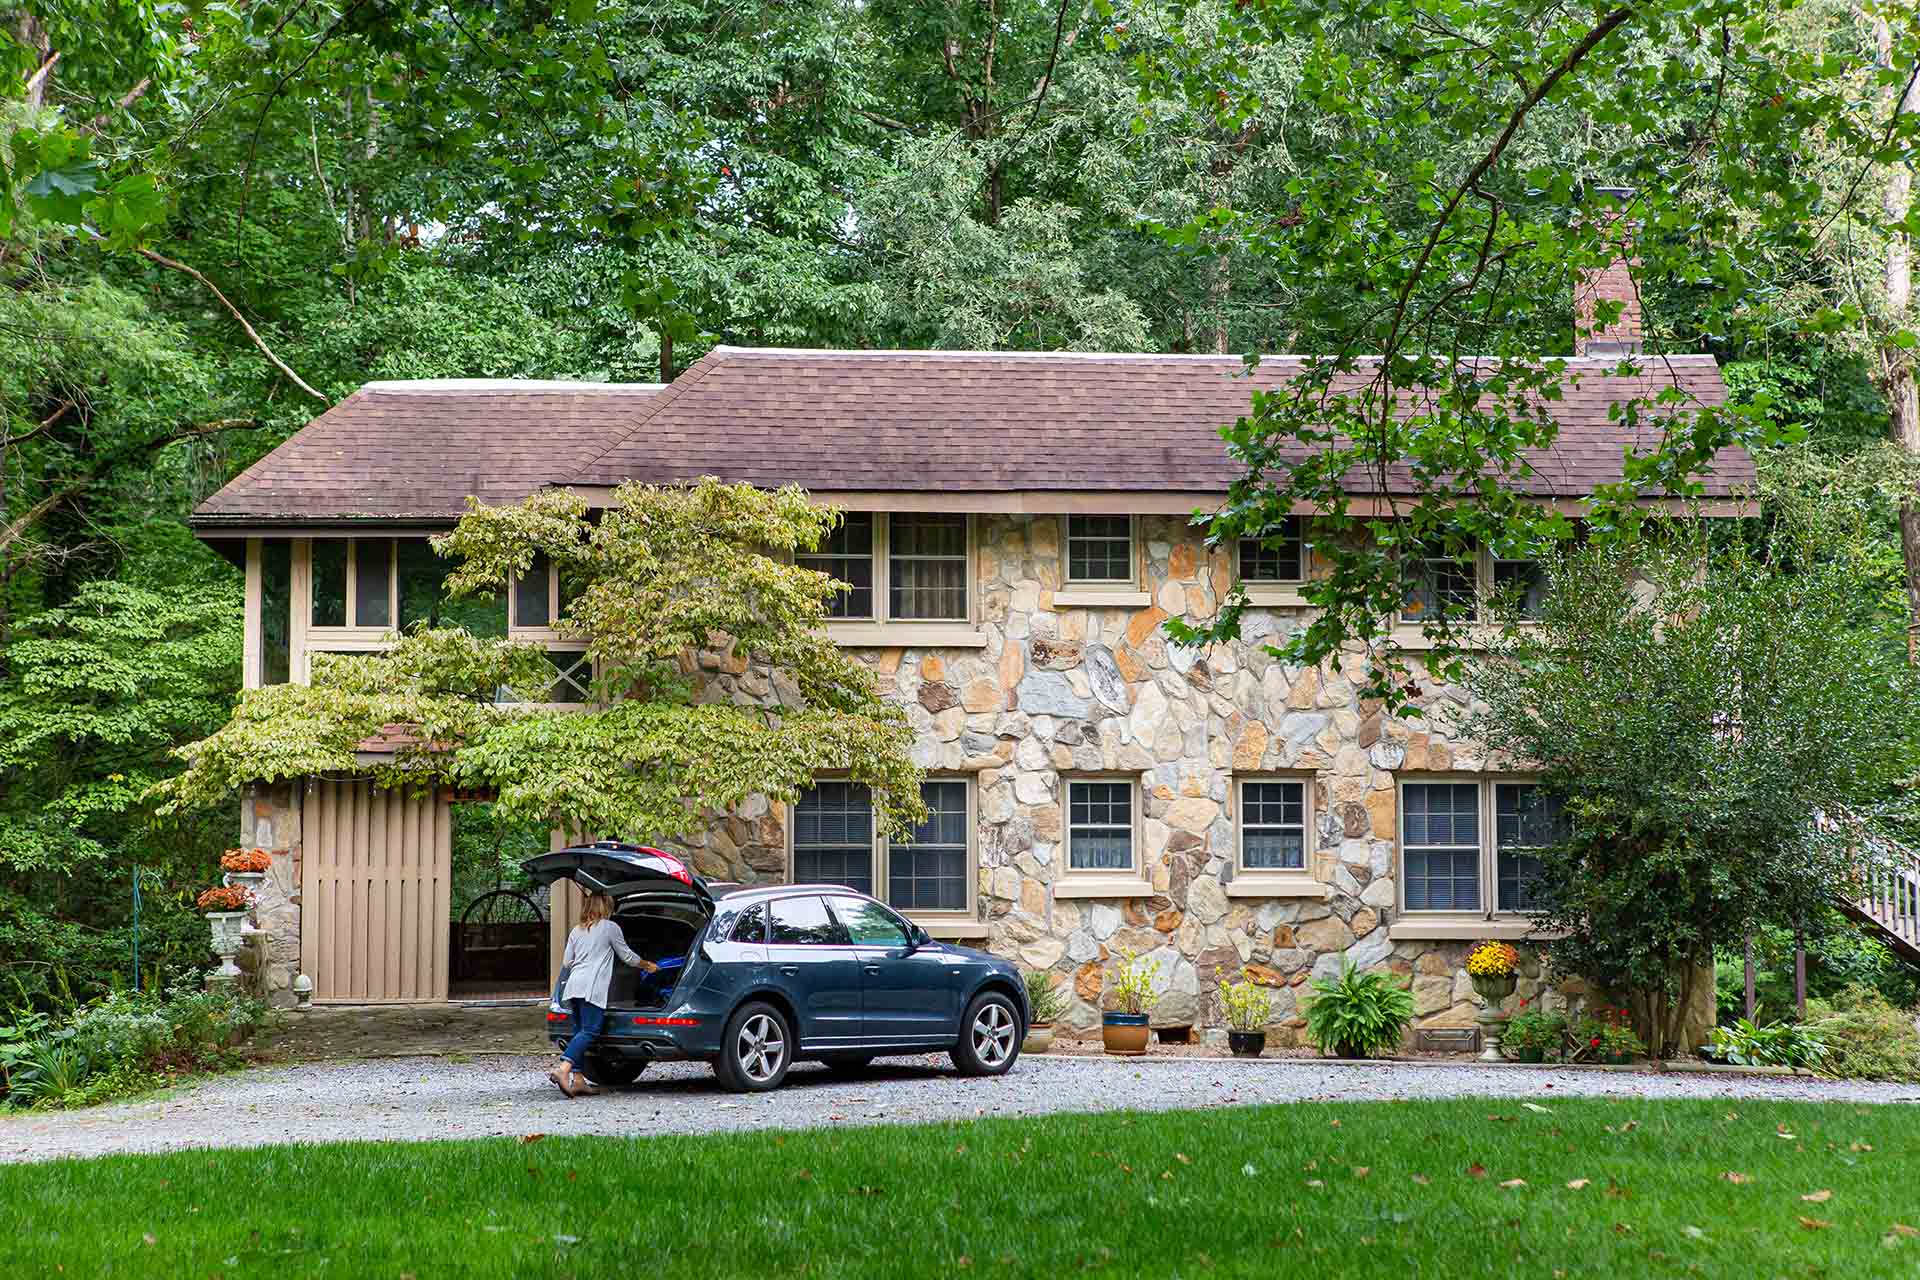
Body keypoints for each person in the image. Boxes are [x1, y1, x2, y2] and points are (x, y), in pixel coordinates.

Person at [550, 892, 655, 1097]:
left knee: (579, 1031)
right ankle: (563, 1069)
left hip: (573, 985)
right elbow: (626, 956)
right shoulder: (609, 927)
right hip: (591, 986)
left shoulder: (576, 930)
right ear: (606, 907)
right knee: (590, 1031)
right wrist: (647, 965)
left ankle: (578, 1080)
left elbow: (566, 963)